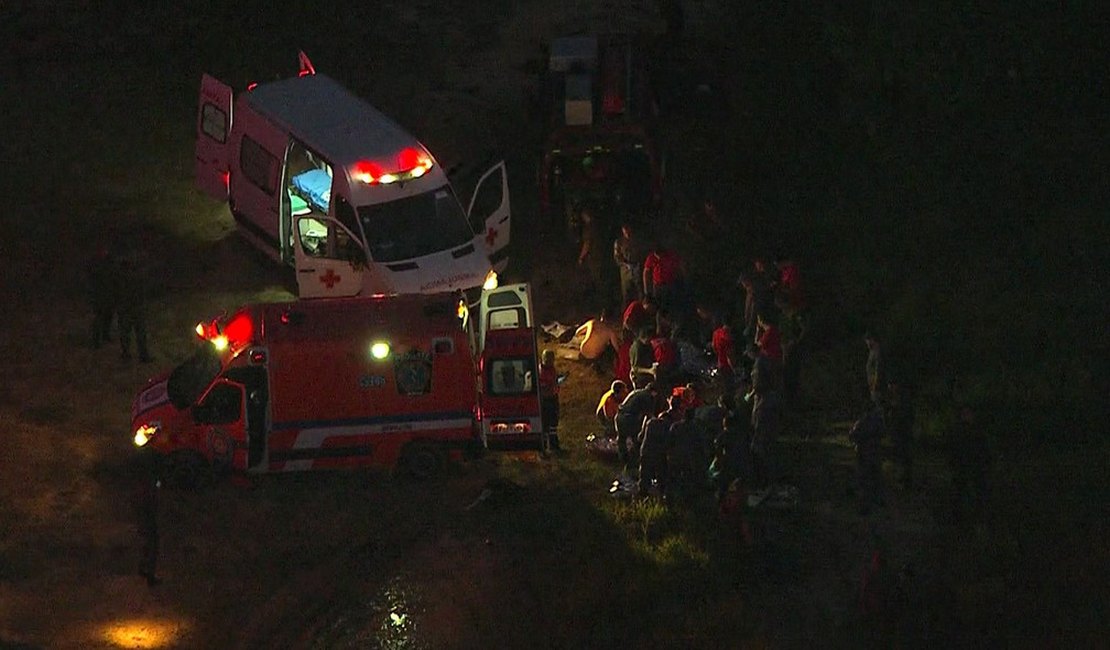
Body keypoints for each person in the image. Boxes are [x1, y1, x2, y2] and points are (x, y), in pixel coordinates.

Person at [945, 404, 990, 521]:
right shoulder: (960, 430)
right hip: (964, 465)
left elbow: (982, 448)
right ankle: (960, 515)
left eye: (968, 414)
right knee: (961, 489)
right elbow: (954, 448)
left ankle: (973, 514)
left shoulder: (975, 430)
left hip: (973, 465)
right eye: (965, 414)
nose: (967, 416)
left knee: (972, 490)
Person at [116, 246, 152, 363]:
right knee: (131, 332)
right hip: (129, 307)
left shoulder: (128, 275)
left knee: (136, 332)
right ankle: (134, 355)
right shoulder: (127, 276)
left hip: (132, 306)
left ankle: (138, 355)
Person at [132, 450, 162, 586]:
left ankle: (143, 567)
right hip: (147, 513)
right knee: (152, 542)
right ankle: (150, 574)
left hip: (141, 512)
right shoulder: (149, 484)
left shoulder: (140, 482)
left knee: (146, 540)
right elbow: (152, 500)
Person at [849, 404, 886, 514]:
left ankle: (866, 505)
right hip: (874, 453)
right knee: (874, 478)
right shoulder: (877, 422)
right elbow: (883, 433)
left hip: (864, 454)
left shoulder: (862, 422)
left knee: (864, 479)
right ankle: (875, 502)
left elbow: (852, 436)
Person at [614, 381, 657, 473]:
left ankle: (623, 459)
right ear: (654, 391)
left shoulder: (637, 392)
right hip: (629, 419)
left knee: (621, 439)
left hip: (619, 416)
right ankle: (633, 463)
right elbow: (649, 415)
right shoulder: (648, 397)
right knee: (636, 440)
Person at [638, 399, 677, 496]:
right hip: (659, 455)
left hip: (646, 452)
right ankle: (662, 496)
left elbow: (640, 437)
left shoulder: (650, 422)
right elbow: (670, 443)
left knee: (644, 476)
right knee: (661, 477)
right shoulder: (669, 426)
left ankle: (642, 494)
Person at [885, 380, 914, 489]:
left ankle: (905, 480)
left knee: (903, 456)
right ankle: (903, 478)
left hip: (902, 433)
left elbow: (903, 417)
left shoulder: (902, 401)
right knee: (900, 456)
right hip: (899, 433)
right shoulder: (896, 400)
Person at [87, 245, 116, 349]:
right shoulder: (94, 263)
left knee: (109, 315)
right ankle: (96, 340)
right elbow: (91, 278)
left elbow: (113, 275)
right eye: (102, 251)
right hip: (99, 294)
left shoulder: (110, 262)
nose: (104, 252)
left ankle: (105, 335)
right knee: (98, 317)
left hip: (109, 293)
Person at [613, 221, 648, 308]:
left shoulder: (636, 241)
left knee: (640, 291)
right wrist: (626, 264)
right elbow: (617, 257)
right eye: (625, 231)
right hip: (625, 271)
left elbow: (642, 253)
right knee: (626, 294)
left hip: (637, 268)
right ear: (622, 231)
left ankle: (641, 312)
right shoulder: (619, 242)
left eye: (628, 230)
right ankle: (625, 313)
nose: (627, 233)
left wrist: (638, 264)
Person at [538, 349, 561, 452]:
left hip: (552, 398)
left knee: (553, 424)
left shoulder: (551, 369)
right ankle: (544, 447)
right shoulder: (540, 371)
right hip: (545, 400)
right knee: (545, 424)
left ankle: (553, 445)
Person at [865, 332, 886, 406]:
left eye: (867, 341)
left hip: (876, 385)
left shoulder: (877, 351)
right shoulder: (872, 351)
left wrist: (875, 383)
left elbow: (878, 368)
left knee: (878, 404)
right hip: (872, 384)